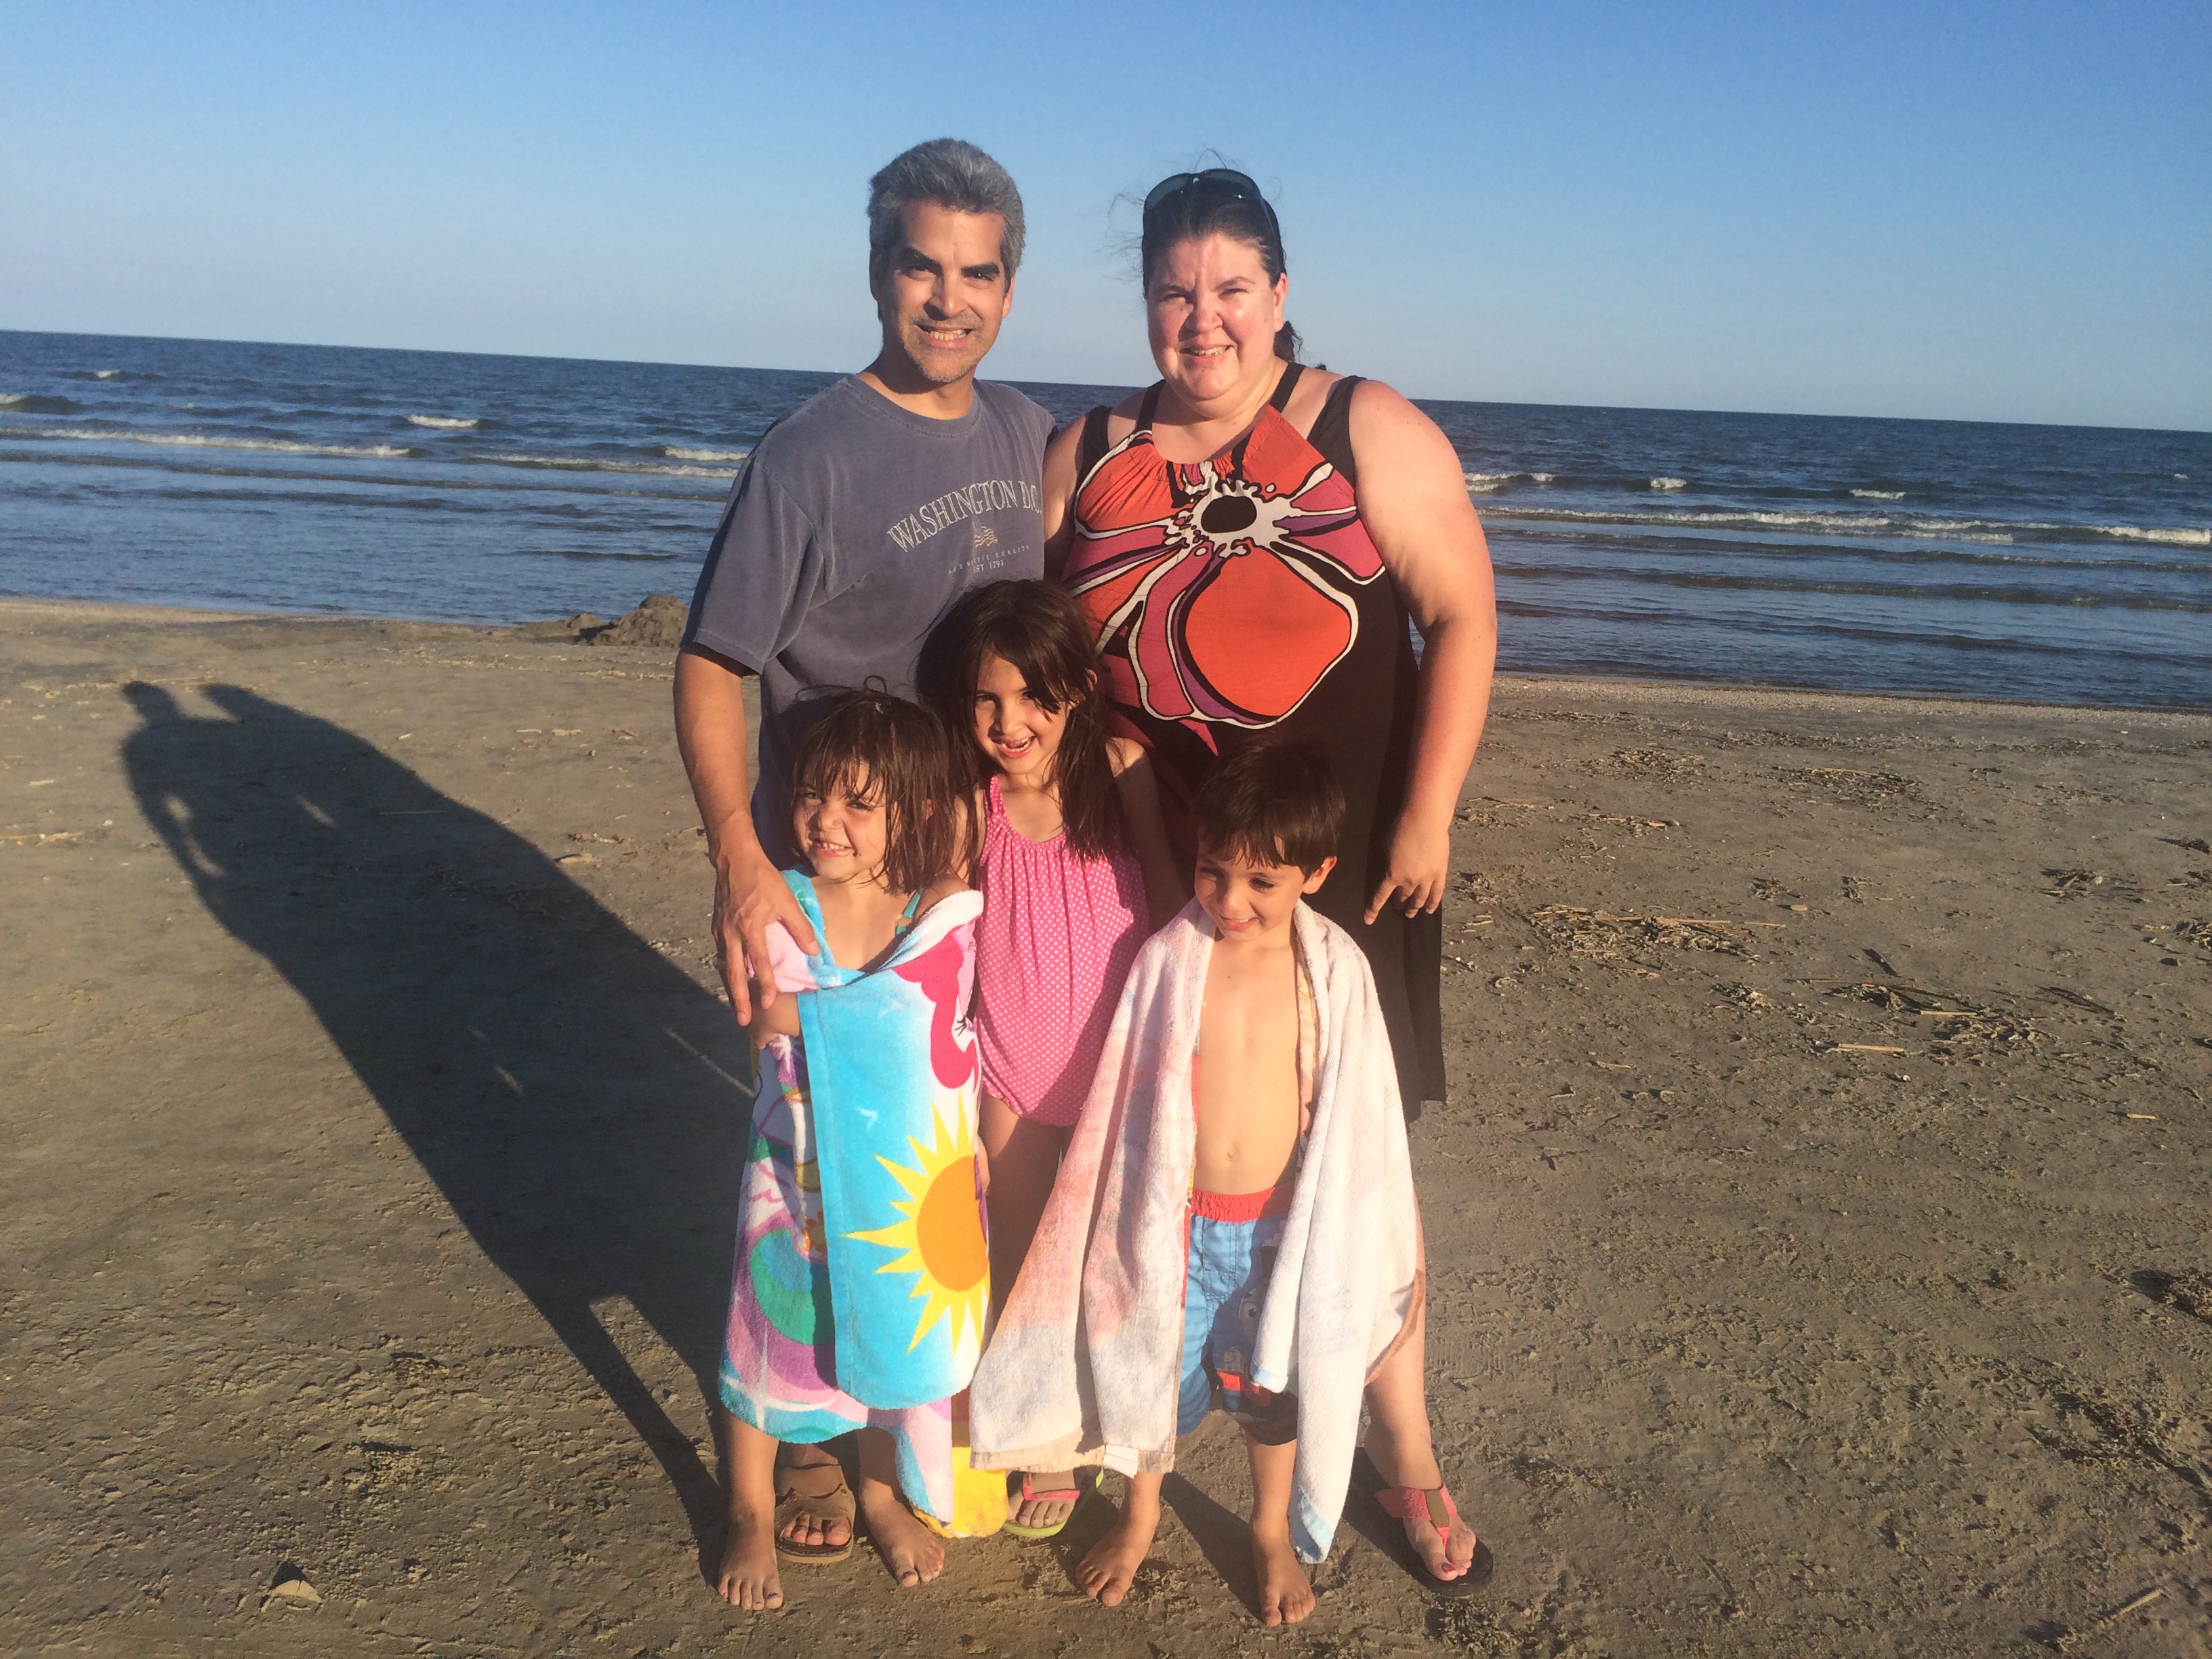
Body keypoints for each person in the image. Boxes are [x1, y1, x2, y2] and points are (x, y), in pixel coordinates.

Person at [1042, 167, 1496, 1588]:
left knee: (1359, 1181)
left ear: (1280, 294)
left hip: (1346, 886)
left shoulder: (1366, 427)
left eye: (1232, 288)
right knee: (1158, 1166)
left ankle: (1406, 1453)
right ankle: (1118, 1416)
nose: (1205, 319)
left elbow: (1463, 614)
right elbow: (1048, 665)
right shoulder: (1087, 450)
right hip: (1160, 889)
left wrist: (1427, 819)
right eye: (1174, 292)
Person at [967, 739, 1425, 1626]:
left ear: (1317, 874)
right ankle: (1140, 1516)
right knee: (1146, 1378)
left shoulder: (1334, 973)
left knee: (1272, 1393)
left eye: (1262, 882)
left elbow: (1359, 1117)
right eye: (1214, 871)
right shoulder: (1171, 961)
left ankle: (1268, 1528)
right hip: (1173, 1228)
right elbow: (1129, 1099)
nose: (1231, 900)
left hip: (1278, 1235)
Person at [676, 136, 1052, 1029]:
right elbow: (711, 665)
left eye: (978, 274)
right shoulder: (806, 460)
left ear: (1008, 291)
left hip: (985, 880)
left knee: (972, 1116)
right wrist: (738, 859)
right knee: (816, 1115)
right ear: (880, 274)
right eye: (923, 268)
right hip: (836, 892)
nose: (950, 301)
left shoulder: (1032, 435)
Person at [713, 691, 985, 1610]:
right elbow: (762, 1019)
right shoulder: (781, 904)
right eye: (812, 796)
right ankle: (752, 1509)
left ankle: (878, 1493)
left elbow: (943, 1036)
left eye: (859, 804)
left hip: (897, 1188)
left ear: (913, 813)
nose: (826, 821)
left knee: (883, 1332)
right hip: (790, 1178)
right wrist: (832, 1017)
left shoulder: (931, 916)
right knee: (768, 1335)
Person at [924, 578, 1182, 1536]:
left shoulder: (1120, 770)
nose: (1009, 721)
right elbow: (945, 932)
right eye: (986, 700)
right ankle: (1034, 1439)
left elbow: (1165, 890)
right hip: (1013, 1080)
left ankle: (1098, 1421)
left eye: (1033, 695)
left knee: (1104, 1264)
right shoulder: (973, 803)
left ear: (1077, 687)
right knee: (1023, 1262)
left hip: (1117, 1070)